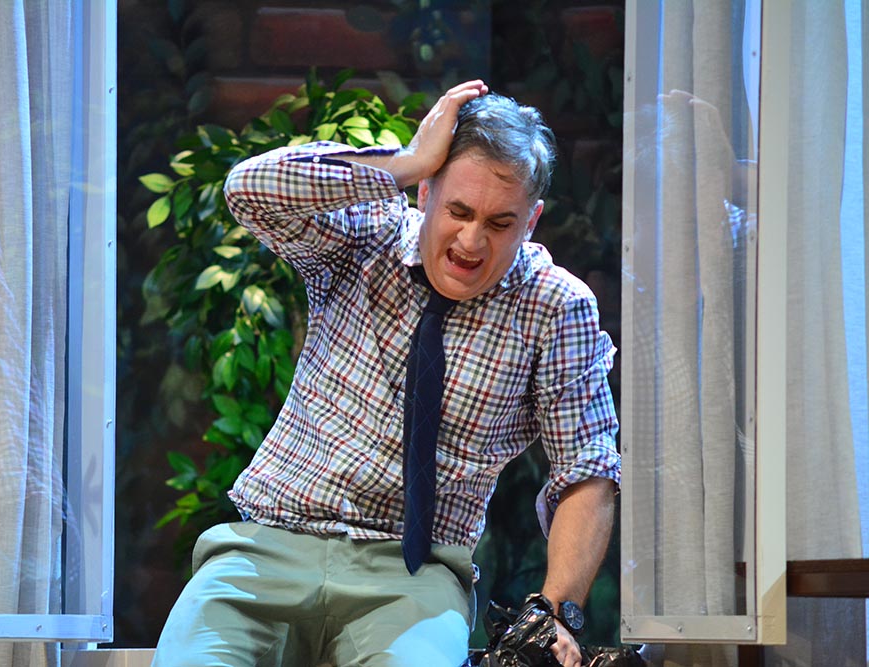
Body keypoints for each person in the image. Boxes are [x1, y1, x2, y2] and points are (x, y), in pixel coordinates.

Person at [152, 80, 620, 667]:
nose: (472, 240)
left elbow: (587, 467)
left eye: (500, 223)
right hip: (268, 547)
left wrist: (555, 612)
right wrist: (407, 161)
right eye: (458, 211)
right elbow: (248, 190)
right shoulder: (365, 235)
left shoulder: (555, 306)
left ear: (531, 221)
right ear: (425, 192)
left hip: (413, 576)